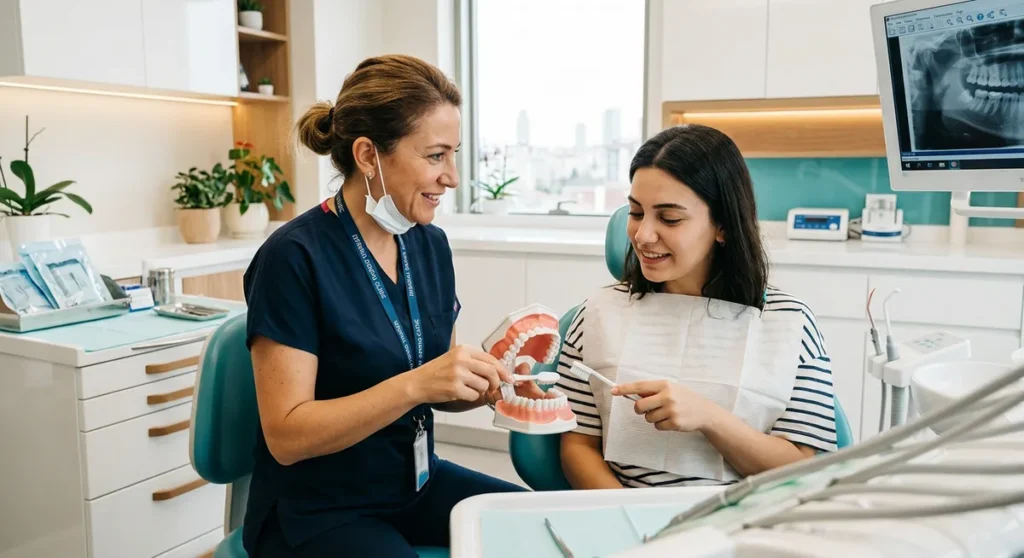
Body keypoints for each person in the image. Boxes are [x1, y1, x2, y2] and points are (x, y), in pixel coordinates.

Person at [241, 54, 525, 557]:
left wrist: (487, 384)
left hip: (412, 482)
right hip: (318, 508)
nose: (452, 177)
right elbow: (286, 435)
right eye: (436, 156)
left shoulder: (428, 244)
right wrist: (417, 383)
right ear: (369, 155)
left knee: (531, 528)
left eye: (454, 154)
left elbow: (436, 385)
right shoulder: (292, 258)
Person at [555, 124, 838, 490]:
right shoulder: (594, 315)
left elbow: (799, 465)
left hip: (742, 522)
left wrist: (710, 417)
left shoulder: (790, 323)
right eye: (637, 213)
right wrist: (636, 524)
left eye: (670, 218)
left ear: (722, 225)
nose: (643, 235)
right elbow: (578, 447)